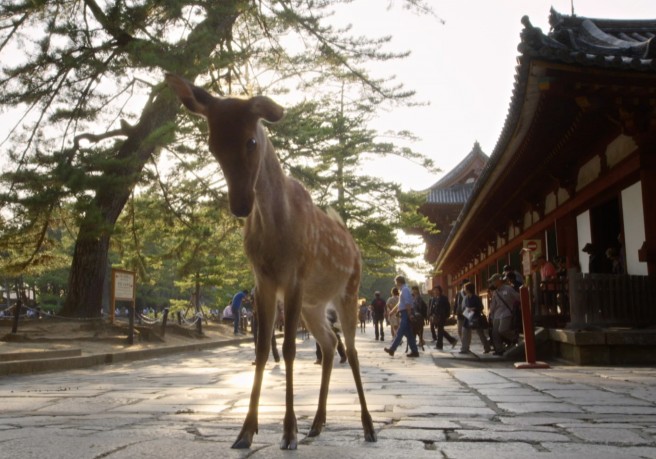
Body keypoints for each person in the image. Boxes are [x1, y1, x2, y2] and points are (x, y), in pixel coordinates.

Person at [384, 275, 419, 358]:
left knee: (400, 332)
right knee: (409, 334)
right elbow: (400, 303)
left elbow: (407, 303)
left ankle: (392, 349)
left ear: (399, 282)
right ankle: (415, 351)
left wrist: (409, 314)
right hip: (404, 312)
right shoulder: (403, 290)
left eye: (396, 282)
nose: (395, 284)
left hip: (406, 313)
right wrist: (392, 311)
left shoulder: (405, 290)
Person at [488, 273, 520, 356]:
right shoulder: (495, 292)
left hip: (506, 312)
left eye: (493, 281)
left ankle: (514, 337)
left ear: (499, 280)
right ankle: (499, 349)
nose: (492, 283)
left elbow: (518, 297)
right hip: (496, 314)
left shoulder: (508, 289)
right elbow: (493, 305)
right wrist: (490, 314)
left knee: (502, 330)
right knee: (495, 333)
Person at [459, 282, 491, 354]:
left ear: (468, 289)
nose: (464, 290)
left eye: (465, 288)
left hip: (475, 316)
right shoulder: (466, 297)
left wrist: (473, 308)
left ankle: (487, 347)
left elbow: (481, 307)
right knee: (465, 331)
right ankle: (464, 348)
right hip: (468, 315)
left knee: (480, 333)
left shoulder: (475, 297)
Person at [429, 285, 457, 350]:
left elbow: (448, 307)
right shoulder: (434, 298)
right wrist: (431, 315)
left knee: (440, 331)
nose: (435, 291)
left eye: (437, 290)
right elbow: (432, 308)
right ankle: (452, 340)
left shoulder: (444, 298)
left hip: (442, 316)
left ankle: (439, 345)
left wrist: (447, 315)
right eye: (434, 290)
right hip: (435, 317)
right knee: (440, 330)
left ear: (439, 290)